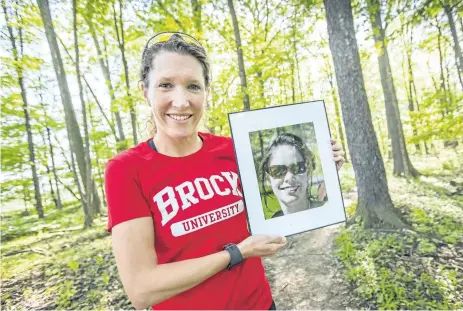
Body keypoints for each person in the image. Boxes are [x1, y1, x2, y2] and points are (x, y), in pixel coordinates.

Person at [104, 32, 345, 310]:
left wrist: (324, 177)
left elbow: (277, 211)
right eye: (166, 85)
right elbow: (142, 289)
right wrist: (236, 253)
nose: (181, 101)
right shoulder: (126, 170)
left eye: (193, 86)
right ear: (145, 91)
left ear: (206, 92)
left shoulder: (232, 150)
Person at [259, 132, 332, 218]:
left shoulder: (328, 211)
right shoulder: (271, 224)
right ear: (268, 179)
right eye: (278, 170)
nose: (289, 177)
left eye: (297, 168)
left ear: (308, 172)